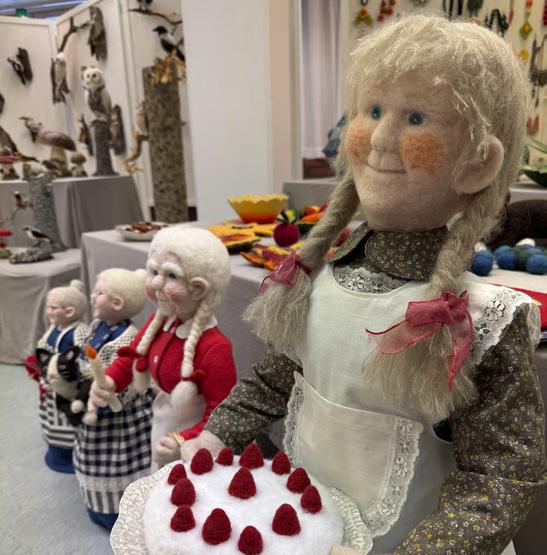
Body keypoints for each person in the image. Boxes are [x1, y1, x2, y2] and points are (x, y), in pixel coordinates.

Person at [176, 15, 545, 555]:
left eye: (415, 117)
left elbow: (501, 473)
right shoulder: (321, 278)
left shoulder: (484, 321)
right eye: (372, 111)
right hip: (305, 526)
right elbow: (279, 375)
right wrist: (216, 434)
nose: (380, 138)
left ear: (477, 163)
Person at [89, 227, 237, 472]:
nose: (156, 283)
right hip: (163, 424)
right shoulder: (160, 322)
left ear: (199, 288)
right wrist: (110, 380)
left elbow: (222, 414)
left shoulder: (215, 348)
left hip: (196, 443)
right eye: (154, 272)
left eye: (171, 275)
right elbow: (133, 357)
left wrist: (184, 439)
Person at [73, 268, 152, 530]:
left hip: (118, 411)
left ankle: (118, 510)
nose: (92, 297)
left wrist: (106, 392)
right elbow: (85, 348)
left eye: (99, 293)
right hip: (93, 401)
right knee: (91, 454)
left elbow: (129, 379)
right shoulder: (97, 326)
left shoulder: (129, 339)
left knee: (119, 458)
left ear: (117, 303)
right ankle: (98, 504)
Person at [24, 279, 89, 473]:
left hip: (69, 389)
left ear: (69, 311)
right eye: (48, 307)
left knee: (71, 421)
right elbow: (43, 348)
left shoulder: (80, 332)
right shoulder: (54, 328)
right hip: (49, 385)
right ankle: (56, 452)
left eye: (53, 308)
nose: (48, 312)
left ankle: (72, 457)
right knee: (50, 418)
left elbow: (84, 360)